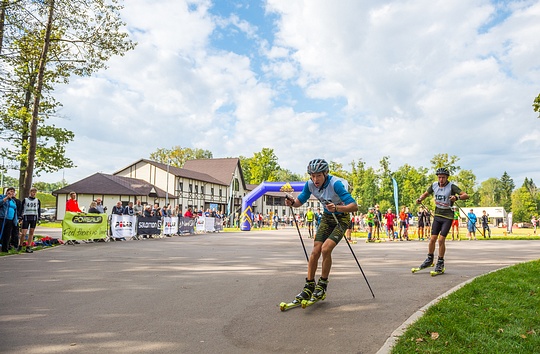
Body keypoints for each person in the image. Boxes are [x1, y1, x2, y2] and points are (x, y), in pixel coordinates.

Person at [285, 159, 357, 303]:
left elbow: (354, 206)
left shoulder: (335, 184)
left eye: (318, 175)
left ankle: (322, 284)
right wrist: (292, 203)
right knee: (315, 251)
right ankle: (309, 286)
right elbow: (300, 202)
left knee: (326, 249)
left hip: (341, 218)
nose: (315, 179)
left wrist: (337, 208)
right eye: (312, 175)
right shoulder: (310, 184)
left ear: (325, 173)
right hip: (327, 217)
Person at [416, 167, 469, 274]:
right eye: (439, 177)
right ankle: (429, 259)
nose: (441, 179)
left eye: (443, 177)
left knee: (441, 240)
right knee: (432, 239)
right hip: (437, 215)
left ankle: (440, 262)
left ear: (447, 177)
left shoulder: (451, 186)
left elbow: (465, 195)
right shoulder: (434, 185)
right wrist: (420, 199)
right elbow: (426, 193)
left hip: (448, 216)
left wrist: (456, 198)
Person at [19, 187, 41, 253]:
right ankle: (20, 245)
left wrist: (39, 217)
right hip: (26, 216)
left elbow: (39, 209)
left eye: (35, 192)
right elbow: (21, 209)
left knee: (31, 232)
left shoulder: (37, 200)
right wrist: (20, 217)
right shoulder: (25, 200)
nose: (33, 193)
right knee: (24, 233)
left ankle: (28, 246)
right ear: (30, 192)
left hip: (34, 217)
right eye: (32, 192)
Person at [1, 187, 19, 253]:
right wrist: (6, 198)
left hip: (10, 220)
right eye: (10, 191)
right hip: (2, 218)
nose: (11, 193)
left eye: (13, 192)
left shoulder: (13, 201)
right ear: (7, 192)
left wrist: (15, 220)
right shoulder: (2, 197)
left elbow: (15, 210)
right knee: (1, 233)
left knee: (7, 234)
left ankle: (5, 249)